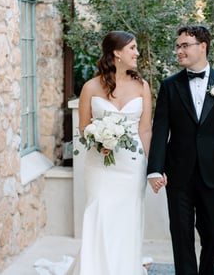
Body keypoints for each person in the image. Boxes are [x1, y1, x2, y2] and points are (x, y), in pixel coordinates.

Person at [147, 25, 214, 275]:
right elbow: (160, 130)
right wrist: (155, 169)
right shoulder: (169, 86)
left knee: (213, 233)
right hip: (178, 173)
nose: (179, 51)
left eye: (185, 45)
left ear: (203, 46)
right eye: (178, 46)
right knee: (181, 236)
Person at [78, 31, 152, 275]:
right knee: (98, 212)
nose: (137, 53)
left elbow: (145, 131)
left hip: (131, 166)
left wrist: (152, 169)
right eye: (132, 48)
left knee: (127, 220)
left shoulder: (143, 87)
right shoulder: (90, 87)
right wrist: (98, 142)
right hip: (100, 166)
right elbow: (83, 128)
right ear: (116, 53)